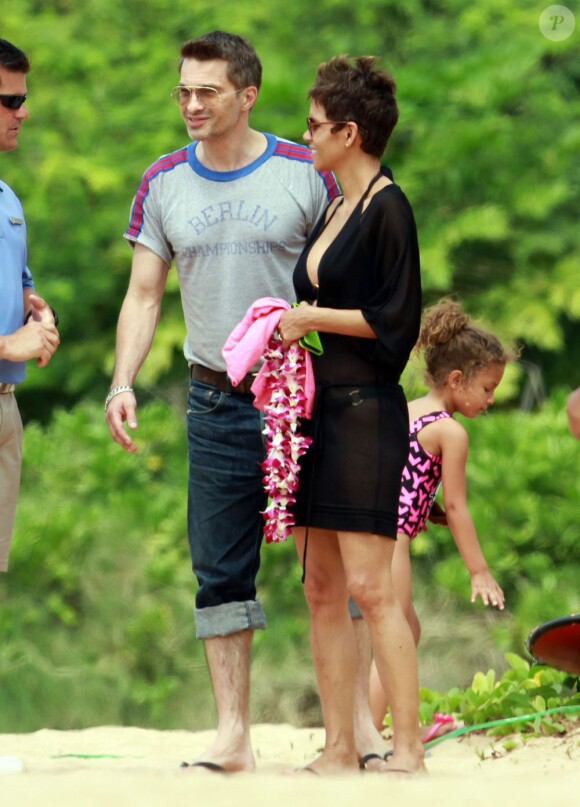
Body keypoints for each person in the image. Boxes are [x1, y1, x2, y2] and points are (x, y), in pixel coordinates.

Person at [104, 31, 337, 773]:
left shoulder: (308, 171)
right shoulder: (164, 180)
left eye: (207, 90)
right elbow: (143, 293)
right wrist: (122, 380)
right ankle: (233, 733)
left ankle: (356, 725)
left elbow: (351, 276)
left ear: (247, 94)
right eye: (183, 91)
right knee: (220, 570)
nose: (192, 104)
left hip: (306, 396)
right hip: (213, 399)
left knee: (334, 564)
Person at [278, 55, 425, 775]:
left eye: (314, 126)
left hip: (367, 409)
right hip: (317, 412)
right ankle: (340, 742)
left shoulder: (388, 207)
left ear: (350, 130)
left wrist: (313, 315)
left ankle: (406, 748)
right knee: (321, 587)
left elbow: (397, 318)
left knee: (373, 587)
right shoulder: (335, 205)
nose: (305, 136)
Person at [351, 297, 509, 767]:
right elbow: (459, 507)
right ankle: (374, 735)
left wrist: (427, 508)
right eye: (487, 388)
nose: (491, 399)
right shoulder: (451, 432)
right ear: (457, 380)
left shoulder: (409, 407)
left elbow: (406, 472)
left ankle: (374, 729)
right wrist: (478, 570)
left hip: (374, 529)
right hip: (392, 540)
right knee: (398, 630)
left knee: (399, 629)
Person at [0, 38, 60, 573]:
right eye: (10, 100)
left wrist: (41, 321)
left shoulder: (8, 199)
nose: (25, 111)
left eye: (24, 98)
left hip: (5, 406)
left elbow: (23, 293)